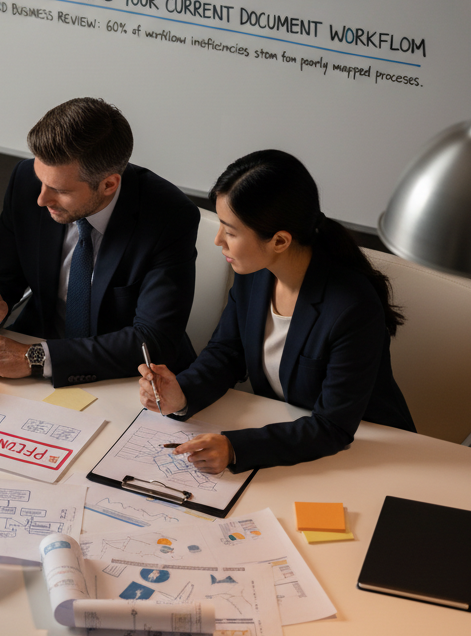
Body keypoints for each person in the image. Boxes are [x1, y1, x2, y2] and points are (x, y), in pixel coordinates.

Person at [138, 149, 415, 473]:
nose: (217, 241)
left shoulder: (352, 307)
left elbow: (333, 427)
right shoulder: (254, 275)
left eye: (230, 231)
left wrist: (235, 448)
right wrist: (181, 395)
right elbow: (226, 353)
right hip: (292, 439)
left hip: (369, 453)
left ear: (280, 241)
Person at [0, 97, 200, 387]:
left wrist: (36, 357)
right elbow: (0, 271)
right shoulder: (27, 179)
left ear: (109, 184)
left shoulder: (169, 215)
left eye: (60, 190)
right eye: (41, 180)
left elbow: (153, 339)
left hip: (129, 378)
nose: (41, 198)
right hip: (32, 349)